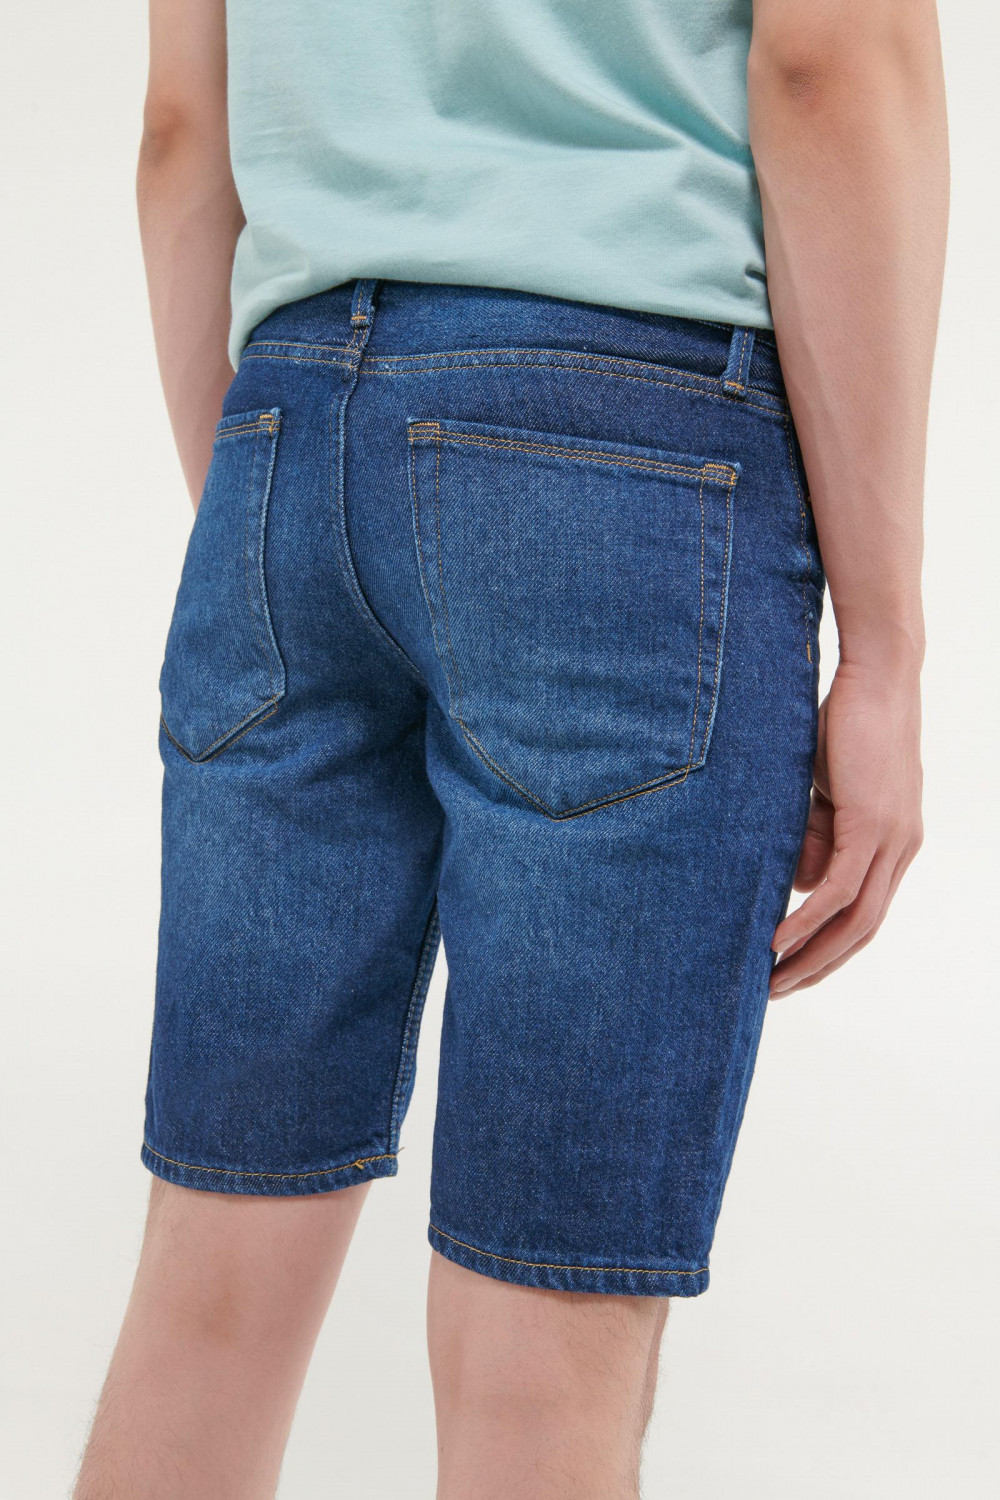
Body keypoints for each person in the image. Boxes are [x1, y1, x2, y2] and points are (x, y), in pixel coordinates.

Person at [74, 1, 947, 1496]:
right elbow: (828, 59)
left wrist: (270, 519)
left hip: (287, 424)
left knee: (207, 1281)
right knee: (543, 1363)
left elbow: (179, 133)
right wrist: (884, 649)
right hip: (619, 440)